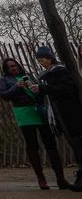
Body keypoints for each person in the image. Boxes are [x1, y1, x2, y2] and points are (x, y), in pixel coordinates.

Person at [0, 57, 69, 190]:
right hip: (23, 112)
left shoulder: (28, 76)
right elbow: (4, 95)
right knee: (32, 145)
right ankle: (41, 178)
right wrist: (16, 87)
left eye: (14, 65)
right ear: (6, 69)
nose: (13, 68)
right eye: (10, 67)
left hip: (38, 110)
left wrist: (35, 89)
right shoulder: (5, 80)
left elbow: (41, 92)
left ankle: (61, 178)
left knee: (50, 144)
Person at [31, 46, 82, 191]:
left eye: (43, 59)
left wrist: (43, 88)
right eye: (39, 59)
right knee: (75, 144)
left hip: (69, 113)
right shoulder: (44, 74)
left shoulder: (60, 71)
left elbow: (66, 90)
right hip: (58, 115)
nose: (41, 62)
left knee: (78, 144)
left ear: (50, 57)